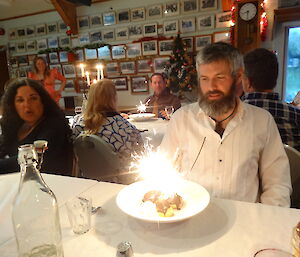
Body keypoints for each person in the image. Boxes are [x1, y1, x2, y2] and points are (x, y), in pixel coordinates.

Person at [159, 42, 291, 207]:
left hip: (244, 222)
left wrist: (264, 220)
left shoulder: (262, 121)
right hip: (191, 217)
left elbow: (277, 183)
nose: (211, 87)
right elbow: (163, 172)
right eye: (204, 79)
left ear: (238, 76)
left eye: (219, 78)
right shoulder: (181, 120)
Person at [0, 78, 73, 175]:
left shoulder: (55, 124)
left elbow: (33, 157)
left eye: (33, 98)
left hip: (53, 184)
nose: (27, 105)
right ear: (13, 105)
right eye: (20, 100)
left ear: (43, 101)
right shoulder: (16, 126)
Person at [242, 48, 300, 151]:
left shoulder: (231, 116)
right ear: (275, 79)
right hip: (288, 167)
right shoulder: (296, 115)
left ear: (248, 82)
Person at [72, 79, 143, 162]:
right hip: (119, 173)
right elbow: (140, 156)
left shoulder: (77, 123)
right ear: (114, 98)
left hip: (85, 173)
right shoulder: (126, 129)